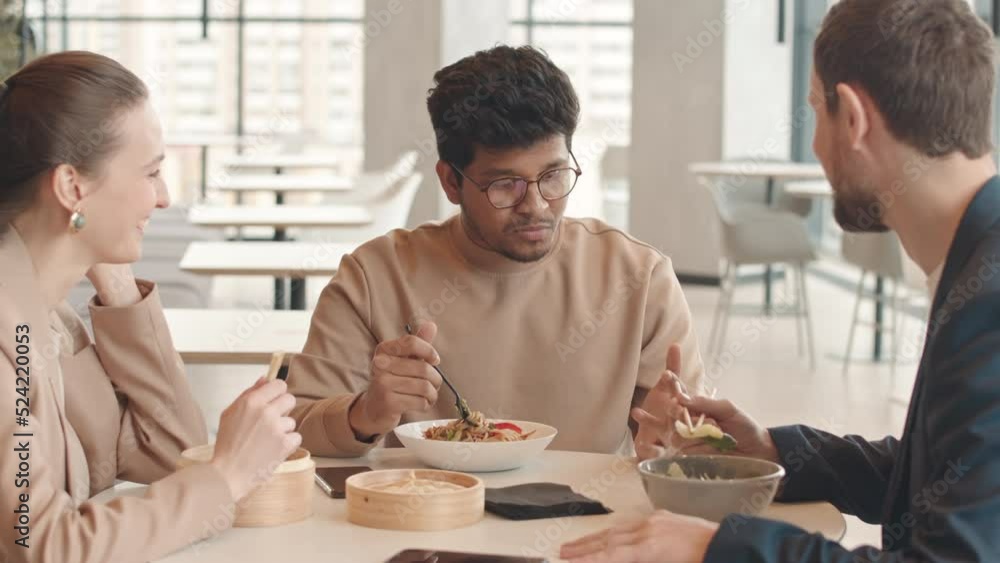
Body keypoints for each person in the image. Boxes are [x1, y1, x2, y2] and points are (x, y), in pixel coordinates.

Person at [562, 0, 1000, 561]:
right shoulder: (974, 265)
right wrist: (771, 451)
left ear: (855, 120)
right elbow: (938, 475)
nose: (816, 146)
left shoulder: (987, 306)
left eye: (816, 110)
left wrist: (716, 547)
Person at [287, 45, 705, 457]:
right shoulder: (375, 276)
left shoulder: (639, 277)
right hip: (427, 516)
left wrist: (676, 443)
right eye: (506, 185)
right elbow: (296, 431)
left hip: (589, 516)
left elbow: (686, 447)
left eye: (554, 175)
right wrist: (365, 413)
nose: (537, 206)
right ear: (451, 182)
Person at [0, 51, 302, 563]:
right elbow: (40, 545)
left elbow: (172, 454)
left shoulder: (52, 318)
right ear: (73, 187)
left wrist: (117, 285)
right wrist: (227, 473)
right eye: (151, 173)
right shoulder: (11, 340)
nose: (163, 198)